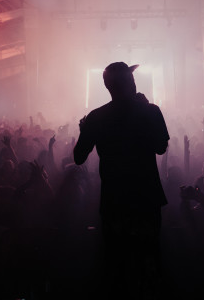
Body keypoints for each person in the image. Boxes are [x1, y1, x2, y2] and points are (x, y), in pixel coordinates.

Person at [73, 61, 170, 297]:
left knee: (117, 263)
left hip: (114, 202)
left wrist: (85, 130)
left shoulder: (96, 117)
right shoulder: (150, 111)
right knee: (148, 261)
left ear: (108, 86)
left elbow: (78, 157)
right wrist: (147, 111)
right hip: (146, 199)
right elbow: (160, 147)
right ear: (130, 83)